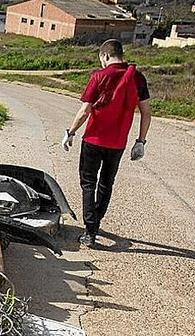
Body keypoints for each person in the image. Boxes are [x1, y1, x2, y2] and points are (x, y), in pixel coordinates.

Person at [62, 39, 151, 247]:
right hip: (118, 143)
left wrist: (71, 132)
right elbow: (146, 113)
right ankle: (95, 222)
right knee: (106, 184)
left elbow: (85, 110)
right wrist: (141, 141)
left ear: (105, 56)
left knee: (88, 183)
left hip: (93, 140)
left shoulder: (99, 76)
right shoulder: (138, 78)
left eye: (101, 59)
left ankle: (90, 232)